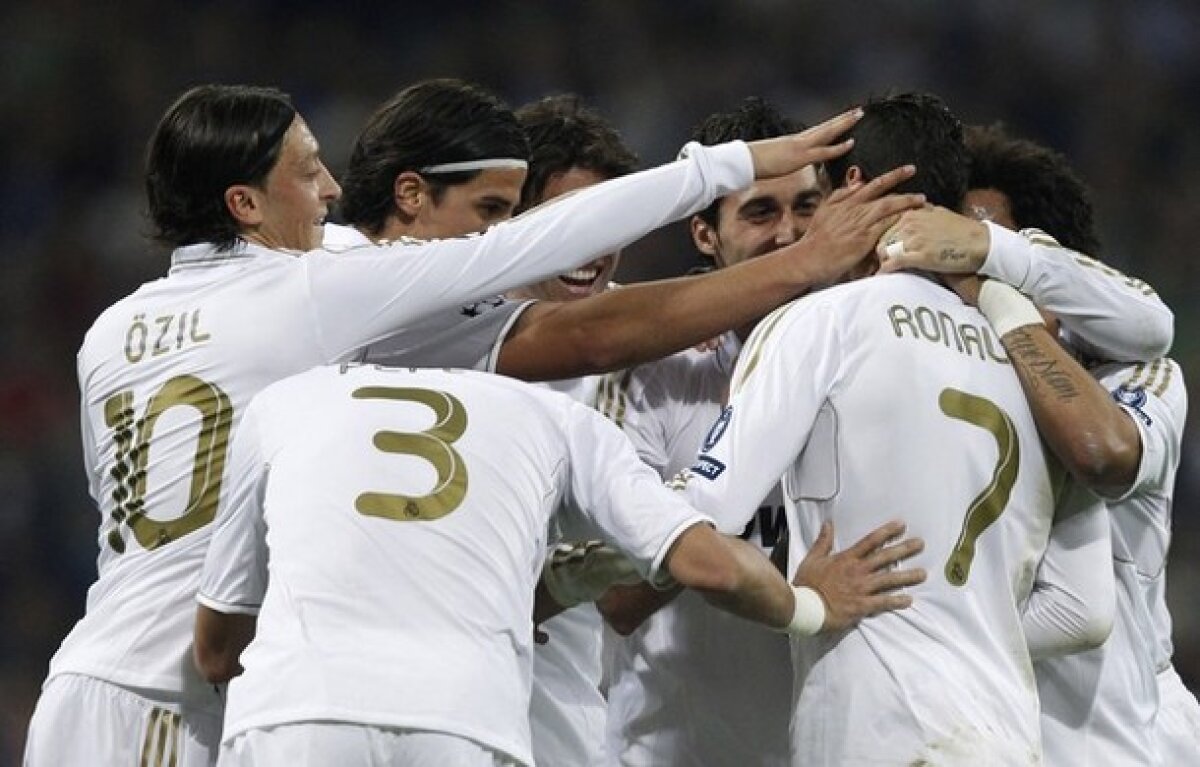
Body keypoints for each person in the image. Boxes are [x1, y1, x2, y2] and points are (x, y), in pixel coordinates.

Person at [21, 81, 877, 766]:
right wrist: (730, 175)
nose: (329, 192)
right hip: (184, 690)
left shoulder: (112, 331)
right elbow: (557, 292)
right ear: (245, 201)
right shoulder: (324, 286)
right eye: (308, 171)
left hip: (128, 669)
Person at [190, 362, 925, 766]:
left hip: (290, 715)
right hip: (460, 718)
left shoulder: (288, 397)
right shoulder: (557, 416)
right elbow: (714, 567)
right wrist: (812, 605)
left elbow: (216, 650)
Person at [682, 93, 1116, 765]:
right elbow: (1084, 608)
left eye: (816, 199)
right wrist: (959, 621)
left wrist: (802, 601)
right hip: (1006, 736)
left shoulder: (819, 322)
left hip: (880, 731)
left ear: (853, 184)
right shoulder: (1032, 360)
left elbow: (696, 524)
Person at [881, 122, 1195, 765]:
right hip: (980, 732)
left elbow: (1104, 456)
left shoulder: (1135, 376)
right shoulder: (936, 382)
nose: (959, 280)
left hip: (1115, 739)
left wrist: (917, 630)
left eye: (975, 253)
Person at [326, 79, 928, 383]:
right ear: (411, 194)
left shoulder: (452, 315)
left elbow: (619, 314)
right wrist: (799, 252)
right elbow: (596, 333)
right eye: (490, 210)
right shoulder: (342, 279)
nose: (502, 235)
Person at [596, 97, 822, 766]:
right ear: (704, 234)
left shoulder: (872, 356)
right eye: (760, 212)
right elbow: (616, 595)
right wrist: (731, 476)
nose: (789, 234)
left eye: (807, 207)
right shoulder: (655, 370)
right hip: (674, 751)